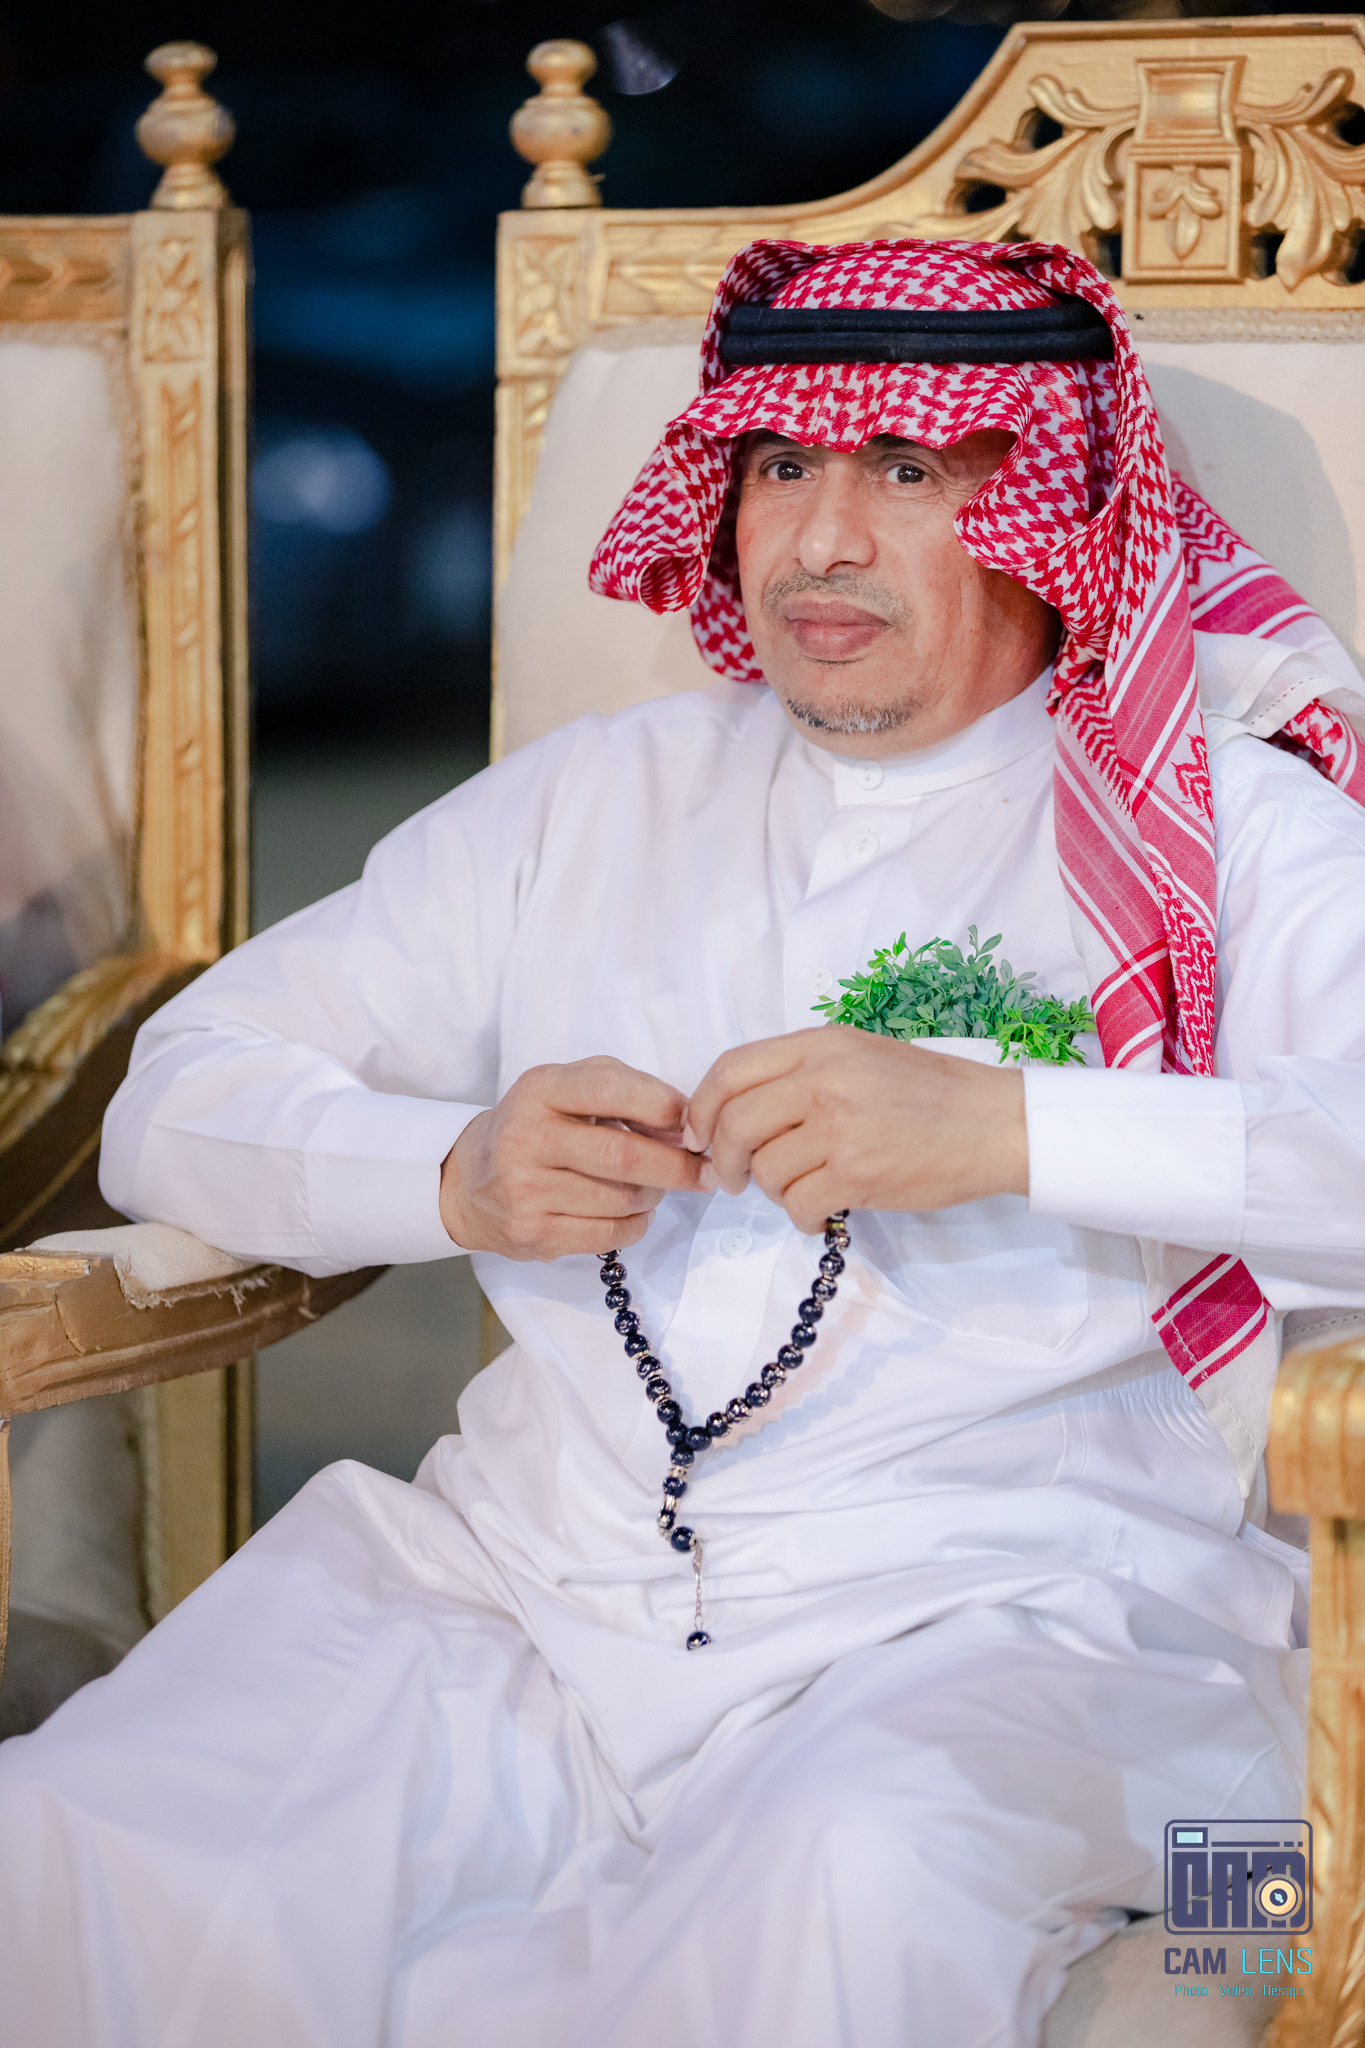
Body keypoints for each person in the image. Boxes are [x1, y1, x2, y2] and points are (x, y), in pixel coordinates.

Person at [2, 234, 1364, 2048]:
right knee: (74, 1845)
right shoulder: (596, 795)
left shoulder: (1228, 829)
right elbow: (181, 1088)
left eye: (906, 471)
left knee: (850, 1887)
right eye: (779, 467)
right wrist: (451, 1174)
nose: (818, 541)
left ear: (1051, 508)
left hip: (1020, 1619)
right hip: (522, 1586)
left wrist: (1015, 1124)